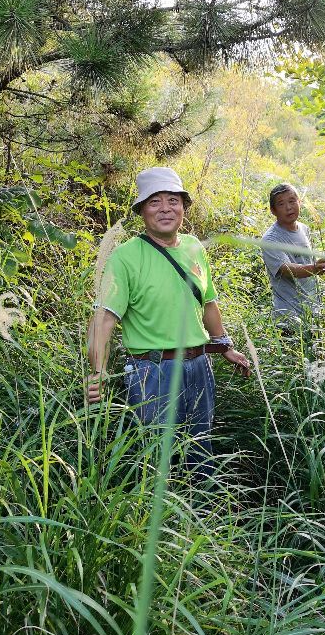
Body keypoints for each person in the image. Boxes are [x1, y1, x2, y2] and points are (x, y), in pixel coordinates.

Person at [86, 167, 250, 480]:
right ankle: (157, 524)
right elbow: (104, 321)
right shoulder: (125, 257)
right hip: (153, 373)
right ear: (141, 211)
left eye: (173, 200)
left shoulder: (194, 248)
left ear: (184, 207)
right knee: (158, 459)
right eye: (154, 202)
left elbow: (208, 304)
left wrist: (225, 345)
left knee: (201, 452)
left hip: (200, 367)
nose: (165, 208)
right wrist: (97, 373)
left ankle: (201, 517)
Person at [261, 183, 325, 327]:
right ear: (273, 210)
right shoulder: (270, 239)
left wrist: (318, 266)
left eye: (292, 201)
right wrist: (314, 268)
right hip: (289, 318)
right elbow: (286, 270)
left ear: (300, 202)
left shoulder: (304, 229)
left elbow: (306, 260)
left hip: (313, 312)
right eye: (281, 204)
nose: (288, 207)